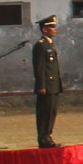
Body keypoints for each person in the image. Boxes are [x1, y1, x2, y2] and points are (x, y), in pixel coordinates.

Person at [32, 14, 64, 148]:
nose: (54, 29)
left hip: (54, 85)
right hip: (46, 86)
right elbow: (39, 67)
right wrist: (41, 86)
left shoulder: (50, 45)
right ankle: (43, 138)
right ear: (44, 30)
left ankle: (48, 136)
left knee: (52, 112)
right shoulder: (41, 46)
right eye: (52, 27)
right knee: (45, 112)